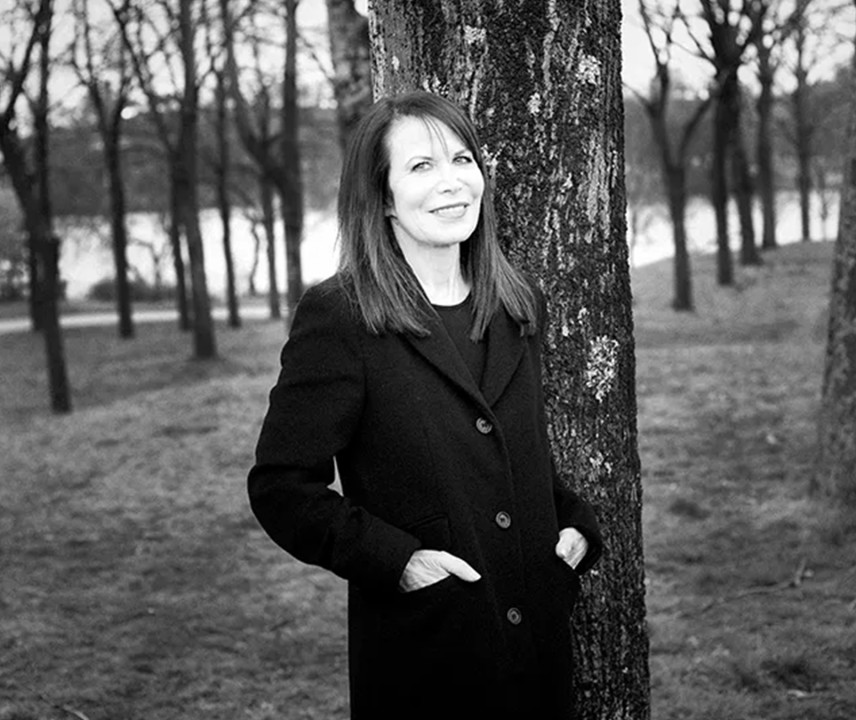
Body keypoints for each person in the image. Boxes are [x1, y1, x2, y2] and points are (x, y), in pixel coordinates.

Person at [247, 90, 603, 720]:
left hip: (537, 649)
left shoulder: (517, 304)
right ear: (383, 197)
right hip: (429, 655)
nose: (452, 182)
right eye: (421, 166)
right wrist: (399, 561)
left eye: (463, 160)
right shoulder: (342, 317)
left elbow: (515, 450)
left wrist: (573, 523)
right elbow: (281, 487)